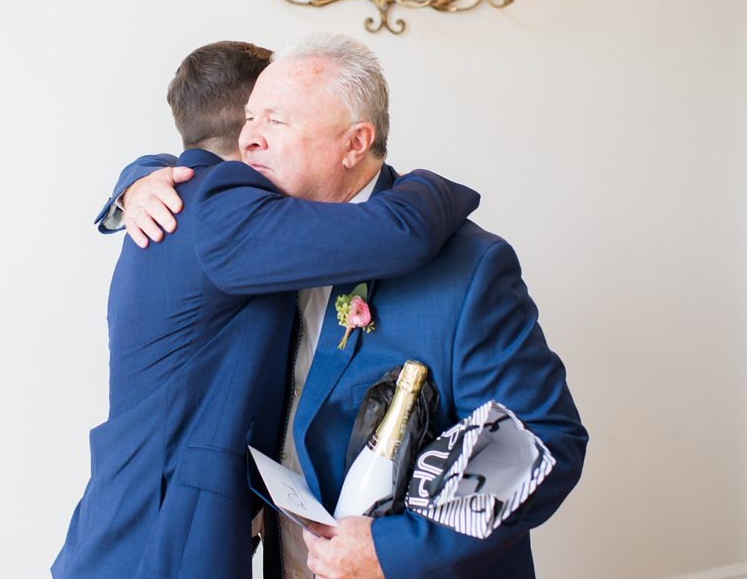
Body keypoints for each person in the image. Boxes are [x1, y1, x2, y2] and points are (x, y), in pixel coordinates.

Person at [113, 33, 588, 578]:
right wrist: (135, 180)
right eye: (249, 118)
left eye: (276, 121)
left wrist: (395, 548)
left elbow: (540, 439)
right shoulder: (253, 244)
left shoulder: (469, 267)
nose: (249, 141)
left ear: (354, 143)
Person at [51, 40, 480, 578]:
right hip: (162, 534)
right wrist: (436, 186)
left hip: (137, 519)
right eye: (262, 115)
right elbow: (402, 234)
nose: (264, 130)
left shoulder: (185, 194)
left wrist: (137, 176)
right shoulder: (220, 206)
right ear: (244, 129)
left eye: (277, 116)